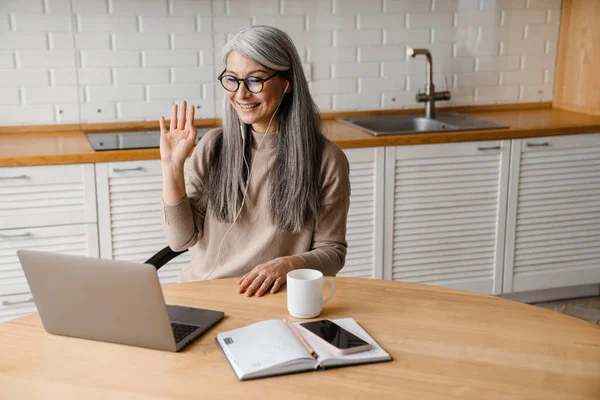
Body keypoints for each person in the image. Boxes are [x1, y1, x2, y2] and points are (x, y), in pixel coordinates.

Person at [159, 25, 350, 297]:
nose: (241, 94)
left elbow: (333, 252)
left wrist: (289, 265)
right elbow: (180, 241)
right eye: (232, 79)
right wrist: (171, 168)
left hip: (270, 298)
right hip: (201, 293)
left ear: (288, 82)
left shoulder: (326, 159)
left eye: (255, 80)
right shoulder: (212, 147)